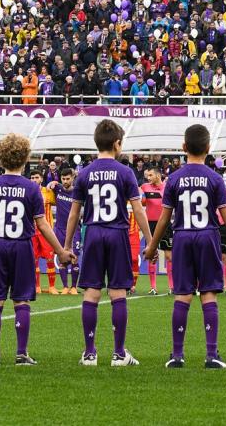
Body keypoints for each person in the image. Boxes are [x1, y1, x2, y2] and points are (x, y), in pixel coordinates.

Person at [144, 124, 226, 369]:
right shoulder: (215, 178)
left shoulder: (174, 179)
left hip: (182, 237)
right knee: (208, 293)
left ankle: (177, 355)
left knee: (183, 294)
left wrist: (151, 246)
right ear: (209, 149)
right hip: (207, 236)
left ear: (184, 148)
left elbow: (165, 218)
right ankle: (211, 355)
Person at [0, 134, 75, 366]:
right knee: (21, 300)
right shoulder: (31, 188)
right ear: (25, 158)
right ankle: (21, 353)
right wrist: (61, 252)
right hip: (22, 246)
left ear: (1, 158)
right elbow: (43, 225)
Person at [62, 119, 153, 367]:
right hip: (117, 232)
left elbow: (74, 213)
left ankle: (90, 352)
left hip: (92, 233)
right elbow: (138, 208)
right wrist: (151, 240)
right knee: (117, 292)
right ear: (117, 144)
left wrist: (67, 246)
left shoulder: (85, 174)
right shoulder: (125, 172)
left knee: (91, 292)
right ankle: (119, 353)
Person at [49, 168, 81, 295]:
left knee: (75, 257)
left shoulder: (78, 192)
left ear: (73, 178)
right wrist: (51, 183)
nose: (66, 181)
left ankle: (74, 286)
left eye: (68, 179)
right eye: (63, 179)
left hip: (74, 230)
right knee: (62, 257)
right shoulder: (58, 189)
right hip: (60, 229)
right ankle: (65, 287)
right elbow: (48, 186)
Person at [141, 167, 169, 295]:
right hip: (150, 224)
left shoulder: (167, 187)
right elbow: (141, 202)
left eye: (151, 175)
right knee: (151, 254)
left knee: (169, 256)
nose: (148, 177)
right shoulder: (145, 187)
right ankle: (153, 287)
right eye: (148, 175)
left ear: (158, 175)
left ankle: (172, 287)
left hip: (165, 224)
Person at [29, 172, 58, 295]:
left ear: (41, 179)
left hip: (46, 231)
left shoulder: (48, 192)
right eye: (32, 177)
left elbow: (59, 199)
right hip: (32, 230)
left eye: (36, 177)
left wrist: (56, 183)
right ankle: (37, 286)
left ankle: (52, 286)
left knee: (50, 258)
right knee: (34, 259)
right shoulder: (27, 192)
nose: (34, 179)